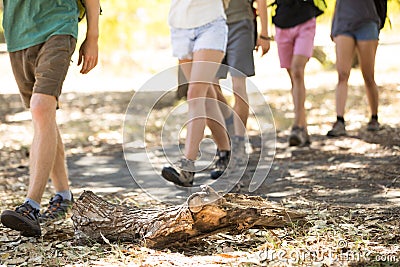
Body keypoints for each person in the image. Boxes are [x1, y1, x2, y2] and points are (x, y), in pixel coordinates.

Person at [0, 0, 100, 237]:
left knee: (41, 107)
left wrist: (93, 36)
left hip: (58, 24)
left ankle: (31, 207)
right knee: (44, 115)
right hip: (19, 34)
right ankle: (63, 196)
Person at [161, 0, 231, 187]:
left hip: (211, 25)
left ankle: (187, 168)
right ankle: (226, 152)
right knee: (205, 94)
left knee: (195, 93)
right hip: (179, 26)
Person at [211, 0, 270, 171]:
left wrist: (265, 33)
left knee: (238, 86)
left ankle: (237, 143)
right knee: (211, 87)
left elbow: (261, 1)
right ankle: (227, 129)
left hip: (241, 24)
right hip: (213, 25)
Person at [272, 0, 324, 146]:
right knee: (293, 79)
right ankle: (303, 127)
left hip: (305, 19)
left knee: (297, 71)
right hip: (282, 21)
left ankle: (297, 126)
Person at [327, 0, 382, 137]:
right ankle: (339, 120)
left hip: (367, 23)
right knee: (342, 74)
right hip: (343, 24)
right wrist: (334, 26)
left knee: (368, 75)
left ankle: (374, 118)